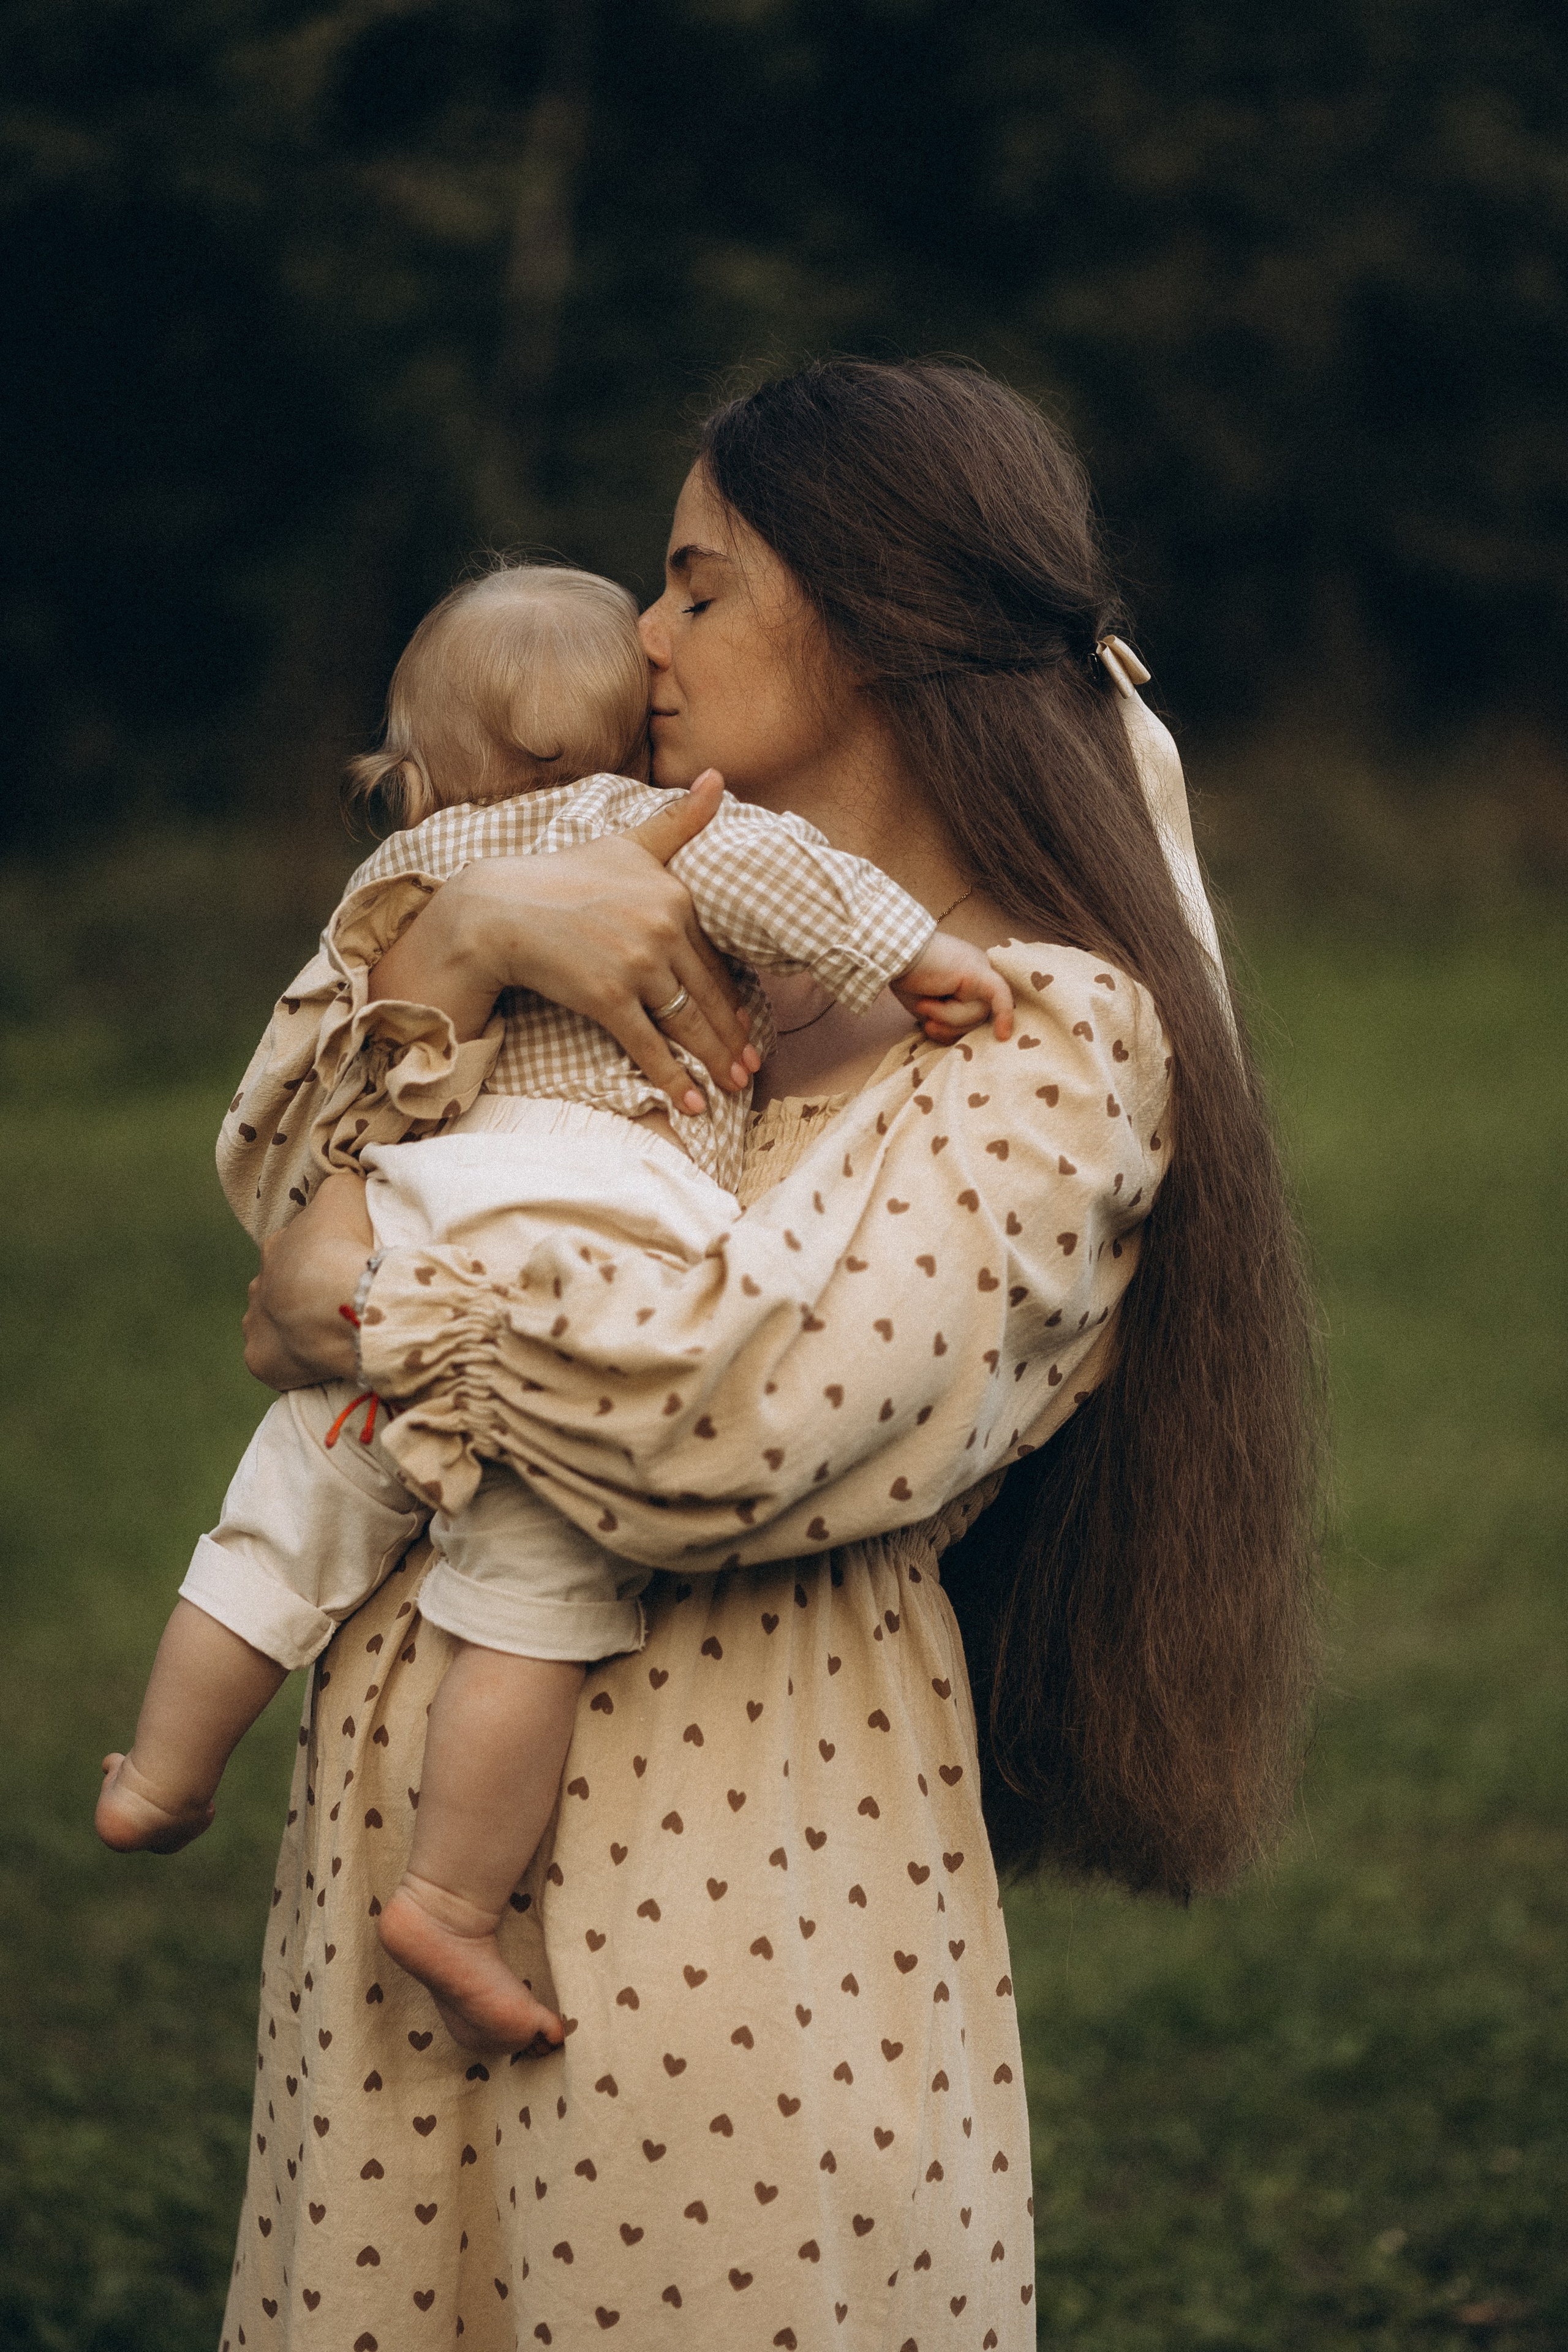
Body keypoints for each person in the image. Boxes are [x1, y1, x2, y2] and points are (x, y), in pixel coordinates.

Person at [217, 360, 1318, 2350]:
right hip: (382, 1879)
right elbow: (268, 1175)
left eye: (698, 586)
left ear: (884, 623)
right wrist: (461, 947)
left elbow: (718, 1419)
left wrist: (375, 1298)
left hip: (721, 1902)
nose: (642, 637)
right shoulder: (648, 940)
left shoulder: (1057, 1035)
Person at [94, 558, 1012, 2057]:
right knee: (527, 1604)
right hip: (592, 1237)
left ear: (418, 769)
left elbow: (315, 1117)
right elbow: (801, 886)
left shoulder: (407, 880)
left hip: (415, 1218)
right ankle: (450, 1901)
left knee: (280, 1514)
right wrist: (921, 958)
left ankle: (161, 1773)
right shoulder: (653, 832)